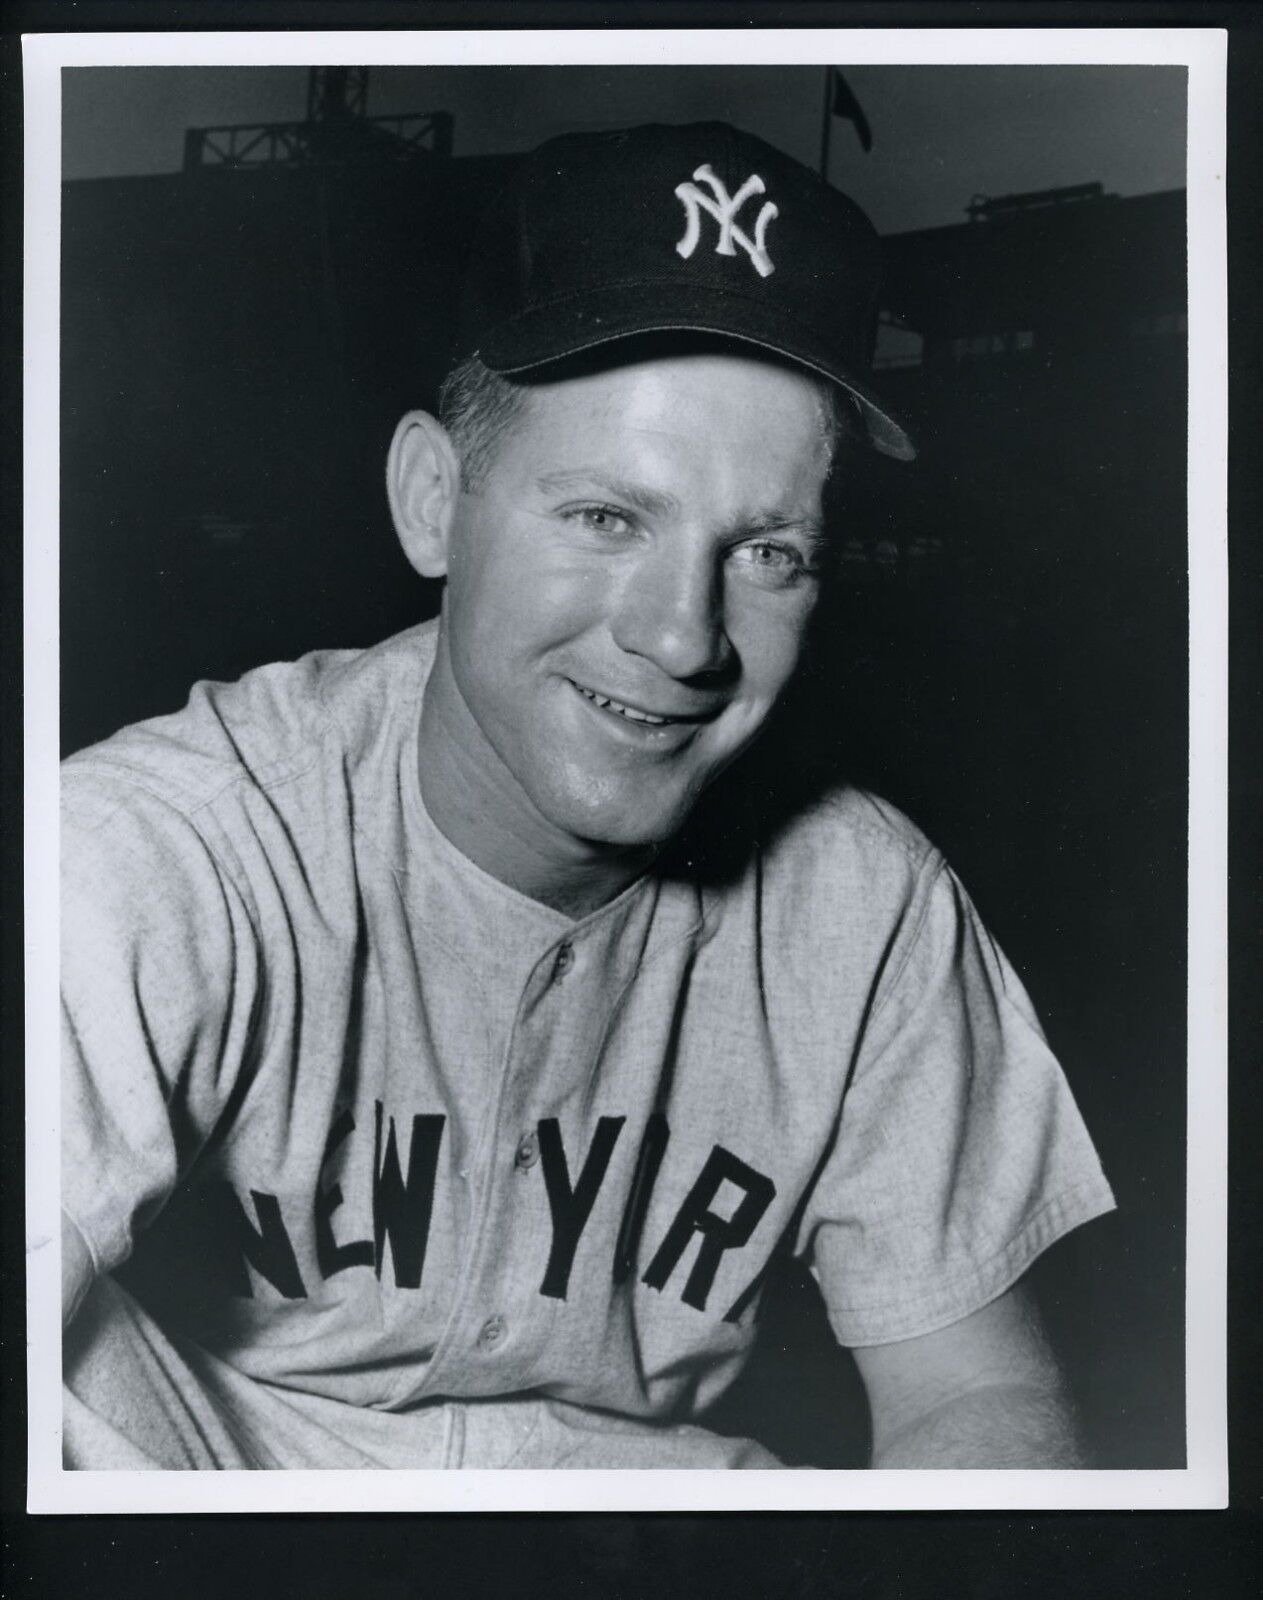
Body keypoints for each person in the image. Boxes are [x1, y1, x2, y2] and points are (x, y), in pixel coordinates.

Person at [60, 121, 1115, 1470]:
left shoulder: (867, 902)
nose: (684, 637)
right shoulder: (159, 852)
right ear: (433, 500)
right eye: (607, 518)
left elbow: (974, 1394)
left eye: (769, 551)